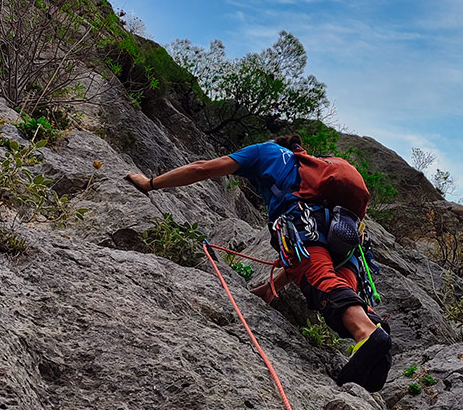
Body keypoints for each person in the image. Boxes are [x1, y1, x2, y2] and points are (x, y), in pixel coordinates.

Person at [125, 134, 392, 392]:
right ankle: (375, 336)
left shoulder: (265, 151)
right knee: (338, 287)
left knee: (321, 283)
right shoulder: (316, 169)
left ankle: (367, 334)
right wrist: (270, 287)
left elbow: (202, 168)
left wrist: (150, 183)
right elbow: (305, 260)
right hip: (346, 238)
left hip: (304, 223)